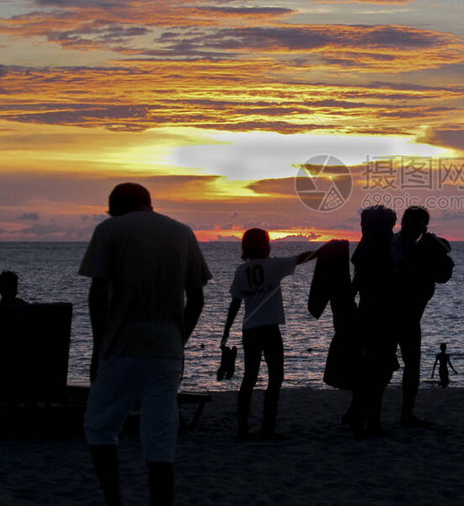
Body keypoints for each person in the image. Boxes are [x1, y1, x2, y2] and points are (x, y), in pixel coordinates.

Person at [80, 183, 211, 506]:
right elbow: (196, 298)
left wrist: (99, 347)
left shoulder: (110, 230)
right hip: (166, 351)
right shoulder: (183, 233)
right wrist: (179, 340)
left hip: (121, 347)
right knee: (160, 440)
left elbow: (97, 295)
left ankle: (114, 500)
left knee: (99, 428)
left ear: (117, 207)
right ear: (147, 204)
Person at [220, 228, 316, 440]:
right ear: (266, 244)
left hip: (250, 329)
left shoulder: (241, 271)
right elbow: (301, 258)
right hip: (269, 328)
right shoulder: (273, 266)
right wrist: (327, 248)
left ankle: (242, 428)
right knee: (276, 377)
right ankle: (267, 428)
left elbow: (235, 303)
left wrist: (226, 332)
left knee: (249, 378)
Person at [392, 206, 454, 427]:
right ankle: (365, 412)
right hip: (393, 315)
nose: (417, 230)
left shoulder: (422, 247)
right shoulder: (397, 246)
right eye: (414, 225)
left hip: (411, 318)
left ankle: (406, 414)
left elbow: (443, 266)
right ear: (404, 222)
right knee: (381, 367)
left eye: (421, 227)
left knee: (412, 365)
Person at [347, 205, 399, 437]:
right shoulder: (386, 247)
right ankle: (369, 420)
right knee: (380, 370)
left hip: (365, 312)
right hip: (384, 314)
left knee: (368, 369)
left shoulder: (364, 248)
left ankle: (358, 414)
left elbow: (356, 283)